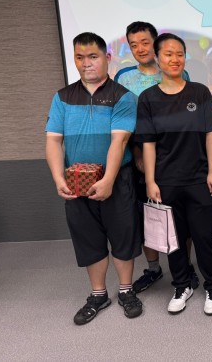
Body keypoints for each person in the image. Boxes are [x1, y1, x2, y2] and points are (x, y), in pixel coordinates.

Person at [45, 32, 143, 325]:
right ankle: (98, 295)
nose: (86, 63)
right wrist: (58, 178)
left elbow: (119, 141)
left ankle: (126, 290)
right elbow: (53, 141)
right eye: (80, 57)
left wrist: (109, 179)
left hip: (118, 180)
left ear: (107, 58)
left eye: (93, 56)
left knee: (123, 236)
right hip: (76, 182)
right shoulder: (62, 97)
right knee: (88, 238)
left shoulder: (123, 97)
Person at [135, 33, 212, 316]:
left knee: (204, 237)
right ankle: (182, 285)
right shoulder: (148, 98)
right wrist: (151, 180)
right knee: (172, 239)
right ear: (157, 58)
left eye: (180, 54)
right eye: (168, 54)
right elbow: (148, 144)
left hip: (199, 178)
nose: (175, 59)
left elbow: (210, 134)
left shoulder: (199, 92)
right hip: (166, 182)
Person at [114, 21, 198, 294]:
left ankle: (185, 266)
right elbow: (123, 121)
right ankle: (153, 268)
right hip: (138, 159)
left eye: (145, 42)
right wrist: (138, 155)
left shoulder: (177, 72)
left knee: (181, 217)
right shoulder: (124, 77)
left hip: (176, 158)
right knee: (147, 216)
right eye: (133, 44)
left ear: (156, 43)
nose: (140, 49)